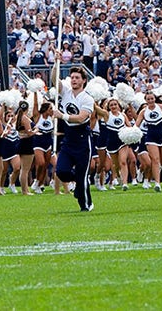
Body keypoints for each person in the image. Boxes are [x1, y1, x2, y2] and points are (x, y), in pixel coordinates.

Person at [51, 67, 95, 212]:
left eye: (77, 77)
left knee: (82, 176)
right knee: (61, 171)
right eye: (72, 77)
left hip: (82, 139)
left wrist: (61, 116)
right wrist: (55, 66)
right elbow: (54, 80)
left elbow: (81, 117)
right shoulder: (66, 92)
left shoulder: (87, 98)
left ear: (83, 80)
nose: (74, 80)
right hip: (69, 139)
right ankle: (80, 181)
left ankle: (86, 205)